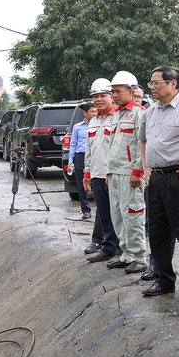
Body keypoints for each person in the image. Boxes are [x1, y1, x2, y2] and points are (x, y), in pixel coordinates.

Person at [139, 66, 179, 300]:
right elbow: (143, 140)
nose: (152, 87)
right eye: (151, 83)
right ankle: (163, 280)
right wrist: (146, 167)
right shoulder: (150, 111)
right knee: (157, 233)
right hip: (156, 178)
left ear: (173, 83)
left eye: (157, 83)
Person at [104, 71, 147, 273]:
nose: (114, 95)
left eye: (118, 91)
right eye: (112, 92)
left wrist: (138, 170)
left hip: (131, 173)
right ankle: (126, 253)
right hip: (115, 172)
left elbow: (142, 145)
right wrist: (108, 171)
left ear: (131, 91)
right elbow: (113, 145)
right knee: (118, 216)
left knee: (133, 214)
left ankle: (138, 256)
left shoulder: (139, 113)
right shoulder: (116, 114)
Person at [82, 78, 121, 262]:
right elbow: (89, 150)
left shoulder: (118, 117)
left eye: (103, 95)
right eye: (95, 96)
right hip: (97, 175)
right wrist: (87, 173)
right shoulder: (93, 121)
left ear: (111, 97)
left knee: (119, 214)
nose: (99, 99)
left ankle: (121, 250)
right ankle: (108, 247)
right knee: (104, 213)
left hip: (113, 174)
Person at [66, 102, 97, 219]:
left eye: (95, 111)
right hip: (80, 156)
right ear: (85, 113)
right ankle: (86, 210)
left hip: (95, 156)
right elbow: (73, 144)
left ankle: (100, 209)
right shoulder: (77, 127)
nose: (94, 114)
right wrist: (70, 160)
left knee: (97, 182)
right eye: (92, 112)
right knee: (82, 183)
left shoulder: (99, 125)